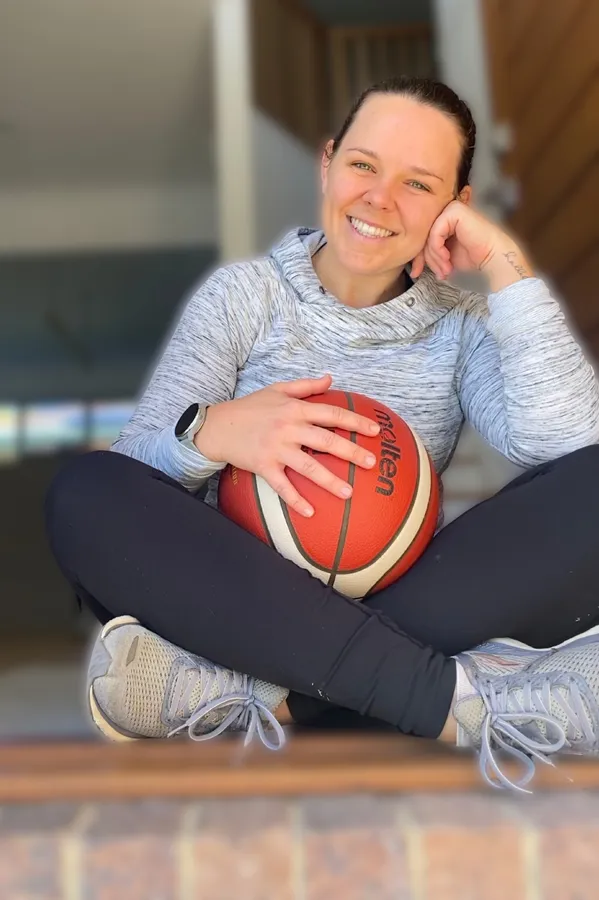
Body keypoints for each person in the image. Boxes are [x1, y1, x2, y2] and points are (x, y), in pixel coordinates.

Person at [46, 76, 599, 792]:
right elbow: (139, 470)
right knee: (87, 492)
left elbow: (565, 443)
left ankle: (259, 698)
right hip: (230, 603)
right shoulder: (245, 297)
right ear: (328, 164)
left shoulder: (460, 329)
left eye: (417, 182)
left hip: (394, 603)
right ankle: (458, 703)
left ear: (452, 209)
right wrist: (212, 434)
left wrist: (505, 264)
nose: (378, 198)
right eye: (363, 165)